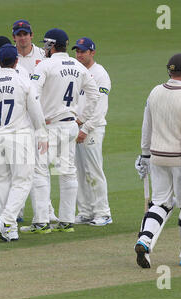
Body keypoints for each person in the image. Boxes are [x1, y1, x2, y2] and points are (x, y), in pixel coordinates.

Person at [134, 52, 181, 268]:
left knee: (160, 203)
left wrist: (144, 155)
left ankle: (144, 240)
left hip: (157, 157)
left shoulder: (155, 92)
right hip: (180, 159)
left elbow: (145, 125)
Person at [25, 28, 99, 234]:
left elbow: (32, 95)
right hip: (70, 126)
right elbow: (94, 95)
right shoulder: (79, 66)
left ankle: (41, 222)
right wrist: (81, 119)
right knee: (67, 172)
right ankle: (66, 221)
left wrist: (39, 120)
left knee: (40, 172)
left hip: (48, 127)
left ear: (50, 45)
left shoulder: (45, 65)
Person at [0, 44, 48, 242]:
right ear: (16, 61)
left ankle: (10, 229)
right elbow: (35, 111)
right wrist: (42, 135)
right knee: (23, 181)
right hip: (19, 136)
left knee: (1, 181)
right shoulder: (23, 81)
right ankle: (6, 220)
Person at [12, 20, 58, 223]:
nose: (22, 37)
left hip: (40, 118)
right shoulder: (8, 57)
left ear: (31, 35)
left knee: (40, 167)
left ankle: (47, 211)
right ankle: (17, 210)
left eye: (25, 33)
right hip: (18, 120)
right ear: (14, 36)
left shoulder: (43, 56)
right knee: (16, 167)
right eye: (19, 34)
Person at [72, 37, 113, 226]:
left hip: (92, 129)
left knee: (93, 170)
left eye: (83, 51)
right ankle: (86, 211)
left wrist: (86, 129)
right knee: (79, 171)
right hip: (76, 128)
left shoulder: (100, 74)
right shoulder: (76, 71)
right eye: (77, 51)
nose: (79, 55)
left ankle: (103, 213)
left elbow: (100, 108)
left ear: (92, 52)